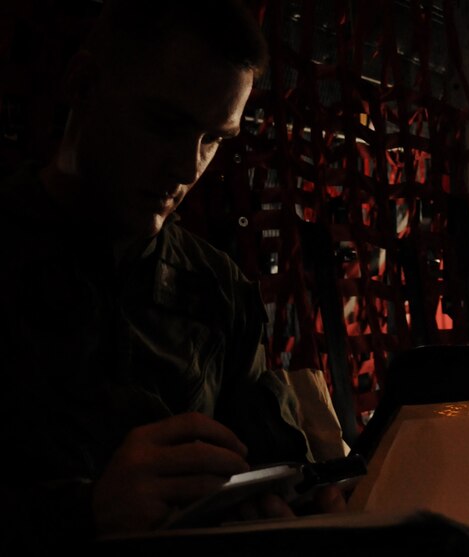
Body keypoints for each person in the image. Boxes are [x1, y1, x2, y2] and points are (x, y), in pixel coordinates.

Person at [0, 1, 343, 554]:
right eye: (166, 125)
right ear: (83, 84)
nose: (188, 168)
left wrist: (304, 500)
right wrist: (85, 514)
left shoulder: (218, 289)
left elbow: (274, 460)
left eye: (214, 139)